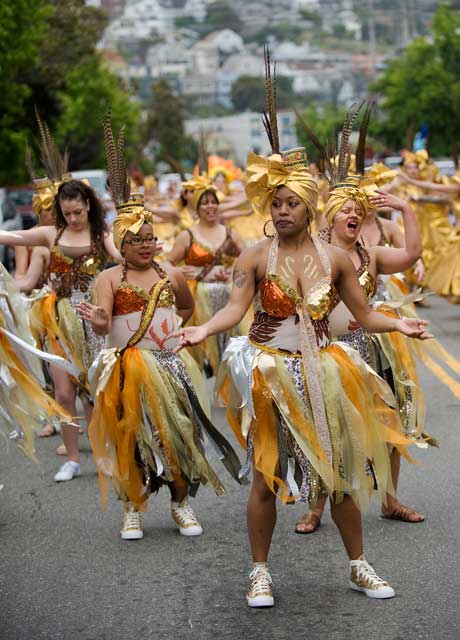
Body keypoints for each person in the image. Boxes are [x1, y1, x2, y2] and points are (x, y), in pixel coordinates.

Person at [176, 143, 431, 607]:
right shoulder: (253, 257)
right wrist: (202, 328)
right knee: (265, 478)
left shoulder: (334, 258)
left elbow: (365, 314)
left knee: (338, 475)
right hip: (270, 374)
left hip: (324, 373)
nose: (283, 210)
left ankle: (358, 565)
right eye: (277, 203)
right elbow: (235, 310)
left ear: (310, 206)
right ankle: (259, 573)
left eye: (292, 203)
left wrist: (400, 323)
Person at [77, 121, 243, 539]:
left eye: (151, 238)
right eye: (137, 241)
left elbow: (186, 307)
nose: (147, 245)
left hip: (170, 365)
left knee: (177, 434)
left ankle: (180, 503)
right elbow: (102, 319)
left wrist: (175, 333)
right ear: (122, 245)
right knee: (130, 436)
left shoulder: (171, 274)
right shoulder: (110, 279)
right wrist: (100, 322)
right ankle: (132, 507)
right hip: (127, 370)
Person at [295, 175, 429, 534]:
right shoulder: (311, 255)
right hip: (325, 355)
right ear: (331, 217)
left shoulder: (370, 257)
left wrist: (404, 207)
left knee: (389, 424)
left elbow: (412, 254)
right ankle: (315, 508)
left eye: (359, 211)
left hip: (366, 354)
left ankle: (390, 500)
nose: (355, 215)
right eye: (347, 211)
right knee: (327, 431)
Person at [0, 177, 121, 481]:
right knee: (65, 394)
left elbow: (121, 258)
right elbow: (11, 237)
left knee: (96, 391)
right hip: (61, 321)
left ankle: (103, 454)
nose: (73, 219)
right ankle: (73, 459)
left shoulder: (101, 234)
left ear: (88, 205)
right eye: (67, 214)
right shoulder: (49, 234)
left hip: (96, 320)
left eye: (78, 212)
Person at [166, 175, 246, 377]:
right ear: (196, 208)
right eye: (205, 203)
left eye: (213, 202)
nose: (210, 207)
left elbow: (249, 260)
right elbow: (167, 263)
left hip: (230, 298)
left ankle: (231, 385)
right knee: (208, 349)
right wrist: (179, 273)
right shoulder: (187, 235)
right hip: (200, 301)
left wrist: (234, 272)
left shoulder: (231, 233)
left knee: (233, 347)